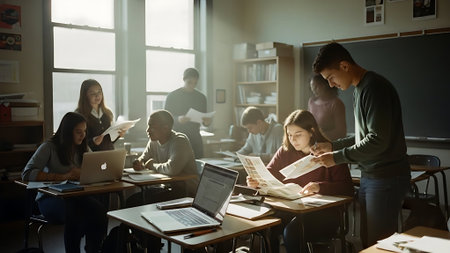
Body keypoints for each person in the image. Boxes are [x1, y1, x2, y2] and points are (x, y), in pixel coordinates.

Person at [310, 42, 411, 247]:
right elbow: (362, 137)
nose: (330, 85)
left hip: (385, 177)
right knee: (367, 240)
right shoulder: (360, 89)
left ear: (345, 66)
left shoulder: (374, 88)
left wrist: (336, 157)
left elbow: (377, 140)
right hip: (371, 175)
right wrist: (332, 146)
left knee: (378, 243)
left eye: (331, 78)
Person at [246, 110, 354, 253]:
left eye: (298, 134)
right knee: (267, 227)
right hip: (291, 209)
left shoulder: (330, 151)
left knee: (292, 233)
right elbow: (268, 174)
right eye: (289, 135)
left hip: (325, 213)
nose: (293, 140)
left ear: (311, 131)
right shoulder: (285, 151)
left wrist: (319, 187)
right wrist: (256, 181)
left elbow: (347, 188)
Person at [22, 112, 108, 253]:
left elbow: (96, 164)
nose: (83, 135)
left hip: (76, 197)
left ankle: (94, 249)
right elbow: (26, 173)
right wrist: (61, 176)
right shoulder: (49, 147)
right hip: (50, 200)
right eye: (78, 132)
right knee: (78, 212)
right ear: (67, 132)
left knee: (98, 210)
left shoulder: (83, 147)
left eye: (85, 131)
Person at [132, 109, 199, 199]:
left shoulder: (179, 140)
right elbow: (144, 158)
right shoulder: (154, 141)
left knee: (140, 200)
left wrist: (152, 166)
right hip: (168, 188)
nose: (147, 130)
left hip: (186, 192)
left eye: (151, 126)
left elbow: (172, 169)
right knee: (133, 200)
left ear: (165, 128)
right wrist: (138, 162)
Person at [164, 68, 211, 158]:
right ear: (184, 79)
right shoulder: (172, 96)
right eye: (189, 82)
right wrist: (178, 119)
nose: (192, 85)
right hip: (177, 137)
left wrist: (207, 122)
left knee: (198, 166)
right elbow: (165, 119)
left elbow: (204, 118)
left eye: (195, 83)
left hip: (195, 138)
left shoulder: (201, 98)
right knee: (177, 164)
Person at [75, 79, 124, 151]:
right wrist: (93, 141)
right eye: (92, 93)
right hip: (91, 156)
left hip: (108, 155)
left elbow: (109, 141)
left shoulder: (107, 113)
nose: (97, 95)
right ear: (85, 95)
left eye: (99, 92)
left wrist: (118, 135)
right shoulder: (79, 114)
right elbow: (77, 142)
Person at [308, 73, 346, 140]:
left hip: (331, 144)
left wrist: (318, 136)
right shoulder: (311, 102)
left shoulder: (336, 103)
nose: (314, 90)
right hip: (314, 142)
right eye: (312, 87)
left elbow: (341, 132)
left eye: (317, 86)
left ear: (325, 85)